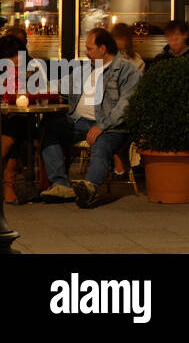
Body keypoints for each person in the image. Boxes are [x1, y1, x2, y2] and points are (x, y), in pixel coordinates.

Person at [40, 28, 141, 209]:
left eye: (89, 49)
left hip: (111, 126)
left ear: (103, 49)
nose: (86, 53)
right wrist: (36, 87)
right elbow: (62, 85)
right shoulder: (87, 69)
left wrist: (102, 125)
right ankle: (62, 185)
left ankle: (90, 188)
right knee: (51, 130)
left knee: (101, 142)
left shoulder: (127, 70)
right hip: (78, 121)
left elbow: (126, 105)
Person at [1, 33, 28, 203]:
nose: (17, 59)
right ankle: (8, 187)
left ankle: (8, 186)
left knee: (18, 126)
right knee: (14, 131)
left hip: (12, 116)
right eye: (13, 55)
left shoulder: (21, 71)